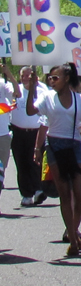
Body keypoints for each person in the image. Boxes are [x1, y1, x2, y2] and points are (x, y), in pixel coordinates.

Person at [28, 63, 81, 256]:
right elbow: (30, 111)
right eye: (50, 78)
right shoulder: (47, 97)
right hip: (54, 147)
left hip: (74, 146)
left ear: (66, 78)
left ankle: (73, 230)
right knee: (64, 194)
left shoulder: (80, 101)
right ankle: (72, 238)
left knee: (80, 195)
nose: (52, 81)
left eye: (55, 77)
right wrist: (33, 87)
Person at [10, 66, 45, 207]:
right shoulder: (15, 91)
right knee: (21, 163)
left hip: (35, 132)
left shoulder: (42, 92)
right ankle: (26, 194)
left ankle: (38, 189)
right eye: (23, 75)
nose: (25, 78)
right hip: (18, 132)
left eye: (28, 76)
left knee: (35, 162)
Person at [0, 62, 20, 204]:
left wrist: (9, 75)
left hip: (2, 135)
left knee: (1, 172)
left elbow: (17, 93)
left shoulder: (3, 83)